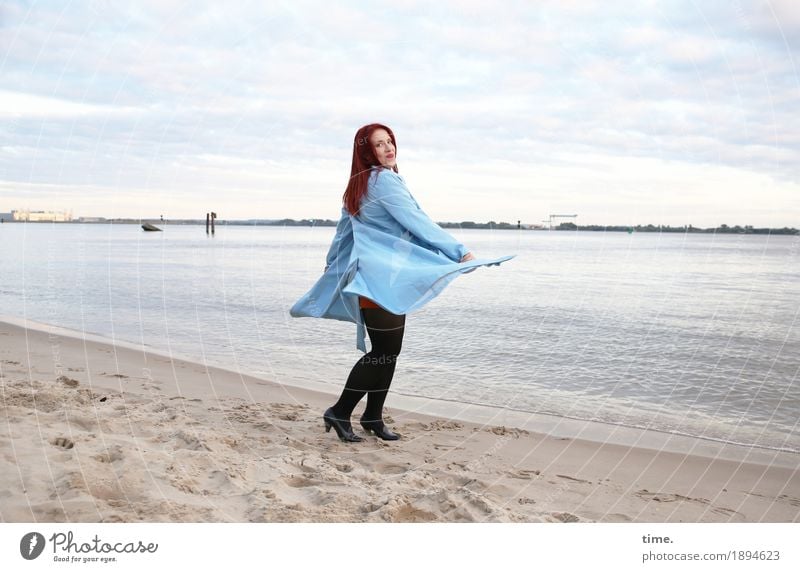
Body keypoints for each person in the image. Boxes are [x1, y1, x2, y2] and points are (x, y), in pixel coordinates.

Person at [290, 123, 513, 443]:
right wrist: (459, 252)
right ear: (367, 153)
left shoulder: (360, 183)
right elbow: (417, 221)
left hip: (373, 278)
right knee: (384, 351)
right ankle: (340, 410)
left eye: (390, 141)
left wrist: (331, 262)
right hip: (381, 279)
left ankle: (372, 416)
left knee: (387, 350)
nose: (388, 148)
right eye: (379, 145)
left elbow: (343, 231)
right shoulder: (384, 181)